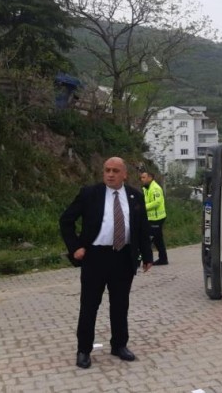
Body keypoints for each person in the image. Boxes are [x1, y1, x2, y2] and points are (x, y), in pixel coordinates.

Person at [59, 157, 153, 369]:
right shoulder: (90, 194)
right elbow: (66, 220)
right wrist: (75, 247)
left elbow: (142, 228)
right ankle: (84, 350)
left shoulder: (135, 196)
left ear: (124, 174)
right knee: (90, 305)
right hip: (95, 257)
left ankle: (119, 345)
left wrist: (147, 256)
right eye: (107, 170)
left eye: (115, 171)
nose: (110, 174)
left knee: (120, 305)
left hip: (124, 257)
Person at [139, 171, 168, 265]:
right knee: (157, 239)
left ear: (150, 178)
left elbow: (157, 202)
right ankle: (163, 259)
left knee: (148, 238)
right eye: (141, 178)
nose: (141, 179)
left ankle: (141, 260)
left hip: (157, 218)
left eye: (144, 177)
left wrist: (143, 207)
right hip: (151, 218)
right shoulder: (146, 188)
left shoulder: (155, 188)